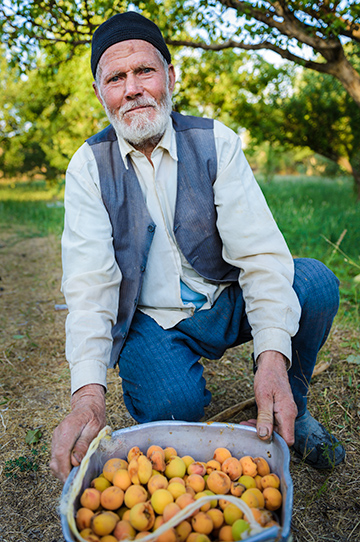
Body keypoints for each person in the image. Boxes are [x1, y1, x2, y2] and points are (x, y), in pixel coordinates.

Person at [50, 11, 345, 483]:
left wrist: (272, 358)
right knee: (173, 407)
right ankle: (200, 408)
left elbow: (261, 256)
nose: (132, 89)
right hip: (152, 321)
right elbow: (90, 286)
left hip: (224, 299)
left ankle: (294, 408)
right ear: (100, 93)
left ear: (170, 76)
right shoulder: (87, 167)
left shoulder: (216, 142)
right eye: (116, 78)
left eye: (144, 71)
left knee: (315, 283)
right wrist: (87, 394)